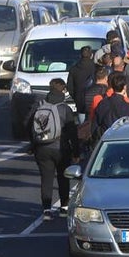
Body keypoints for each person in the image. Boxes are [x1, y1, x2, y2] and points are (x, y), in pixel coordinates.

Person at [29, 79, 76, 219]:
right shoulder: (65, 108)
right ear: (63, 90)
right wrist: (76, 151)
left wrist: (33, 145)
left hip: (42, 148)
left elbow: (29, 126)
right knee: (63, 178)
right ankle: (64, 208)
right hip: (61, 148)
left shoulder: (39, 106)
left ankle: (46, 210)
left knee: (46, 179)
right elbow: (72, 131)